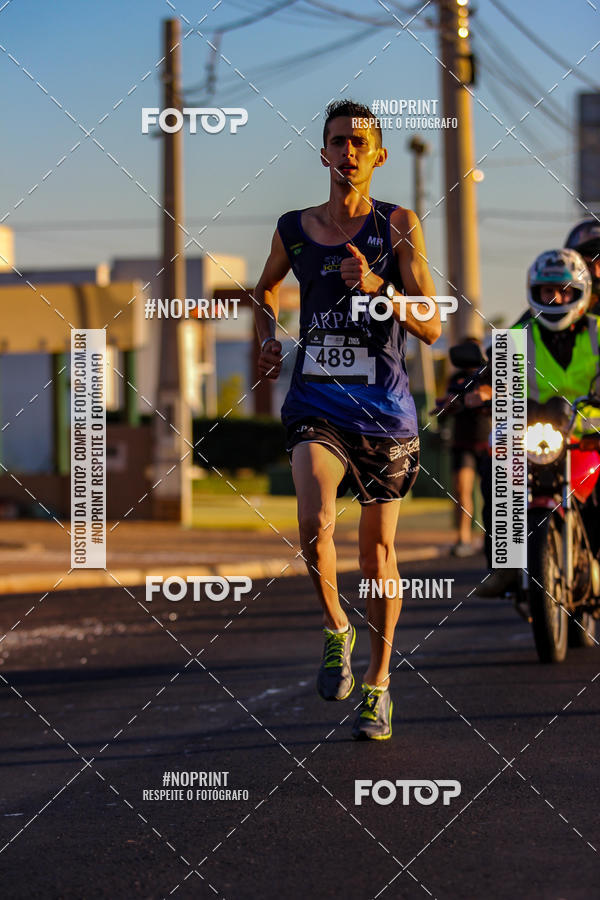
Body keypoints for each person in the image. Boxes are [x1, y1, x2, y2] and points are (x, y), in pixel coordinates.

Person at [253, 100, 441, 740]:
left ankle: (380, 684)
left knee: (378, 556)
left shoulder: (397, 226)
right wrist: (268, 338)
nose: (349, 152)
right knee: (312, 518)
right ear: (324, 153)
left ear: (378, 156)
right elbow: (266, 286)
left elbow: (433, 325)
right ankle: (337, 627)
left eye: (361, 143)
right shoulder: (294, 228)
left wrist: (380, 291)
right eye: (338, 142)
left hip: (385, 414)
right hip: (317, 403)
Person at [476, 248, 596, 597]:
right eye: (548, 291)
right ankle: (506, 566)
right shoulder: (515, 335)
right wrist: (477, 393)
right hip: (534, 435)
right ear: (535, 291)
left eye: (566, 290)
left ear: (581, 293)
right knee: (496, 470)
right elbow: (490, 377)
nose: (557, 297)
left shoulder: (598, 331)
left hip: (589, 434)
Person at [435, 337, 491, 557]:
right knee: (462, 490)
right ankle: (463, 538)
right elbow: (445, 405)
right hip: (462, 442)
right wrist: (446, 407)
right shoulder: (456, 378)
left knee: (493, 492)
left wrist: (484, 396)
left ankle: (491, 539)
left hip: (488, 442)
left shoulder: (490, 375)